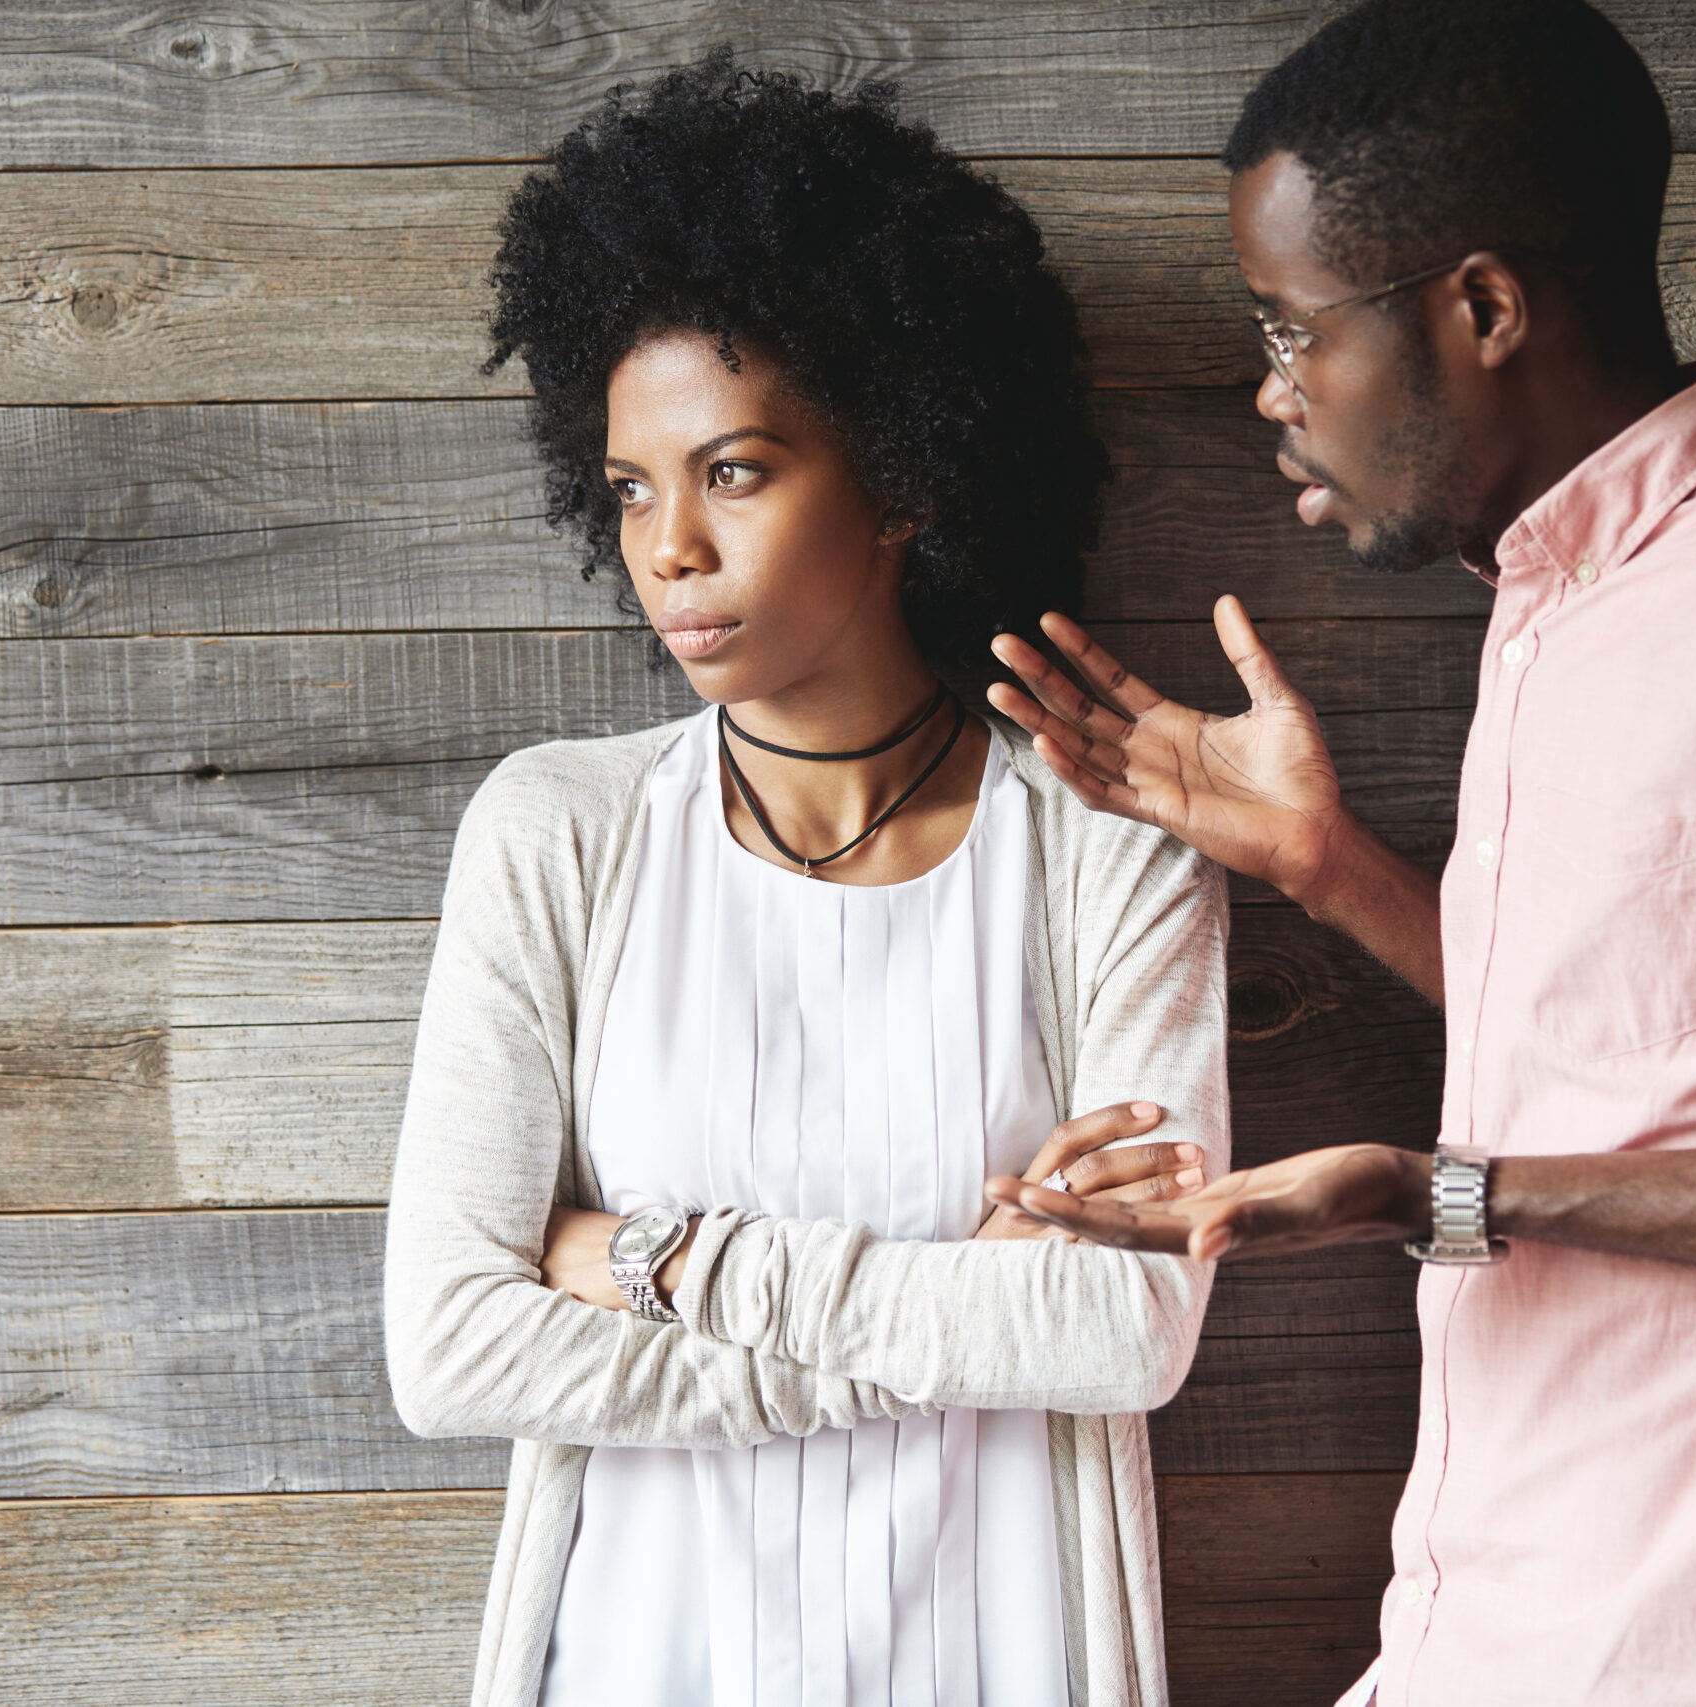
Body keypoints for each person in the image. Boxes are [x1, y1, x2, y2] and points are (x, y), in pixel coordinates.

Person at [982, 3, 1696, 1704]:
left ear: (1488, 308)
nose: (1275, 394)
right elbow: (1650, 1047)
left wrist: (1439, 1198)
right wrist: (1329, 865)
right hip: (1504, 1608)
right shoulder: (1562, 611)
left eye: (1296, 334)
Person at [383, 58, 1229, 1707]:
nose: (666, 548)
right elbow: (450, 1347)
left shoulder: (1112, 857)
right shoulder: (557, 833)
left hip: (1002, 1652)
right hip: (636, 1657)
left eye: (737, 470)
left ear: (908, 474)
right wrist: (939, 1337)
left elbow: (1126, 1337)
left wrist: (659, 1262)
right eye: (632, 486)